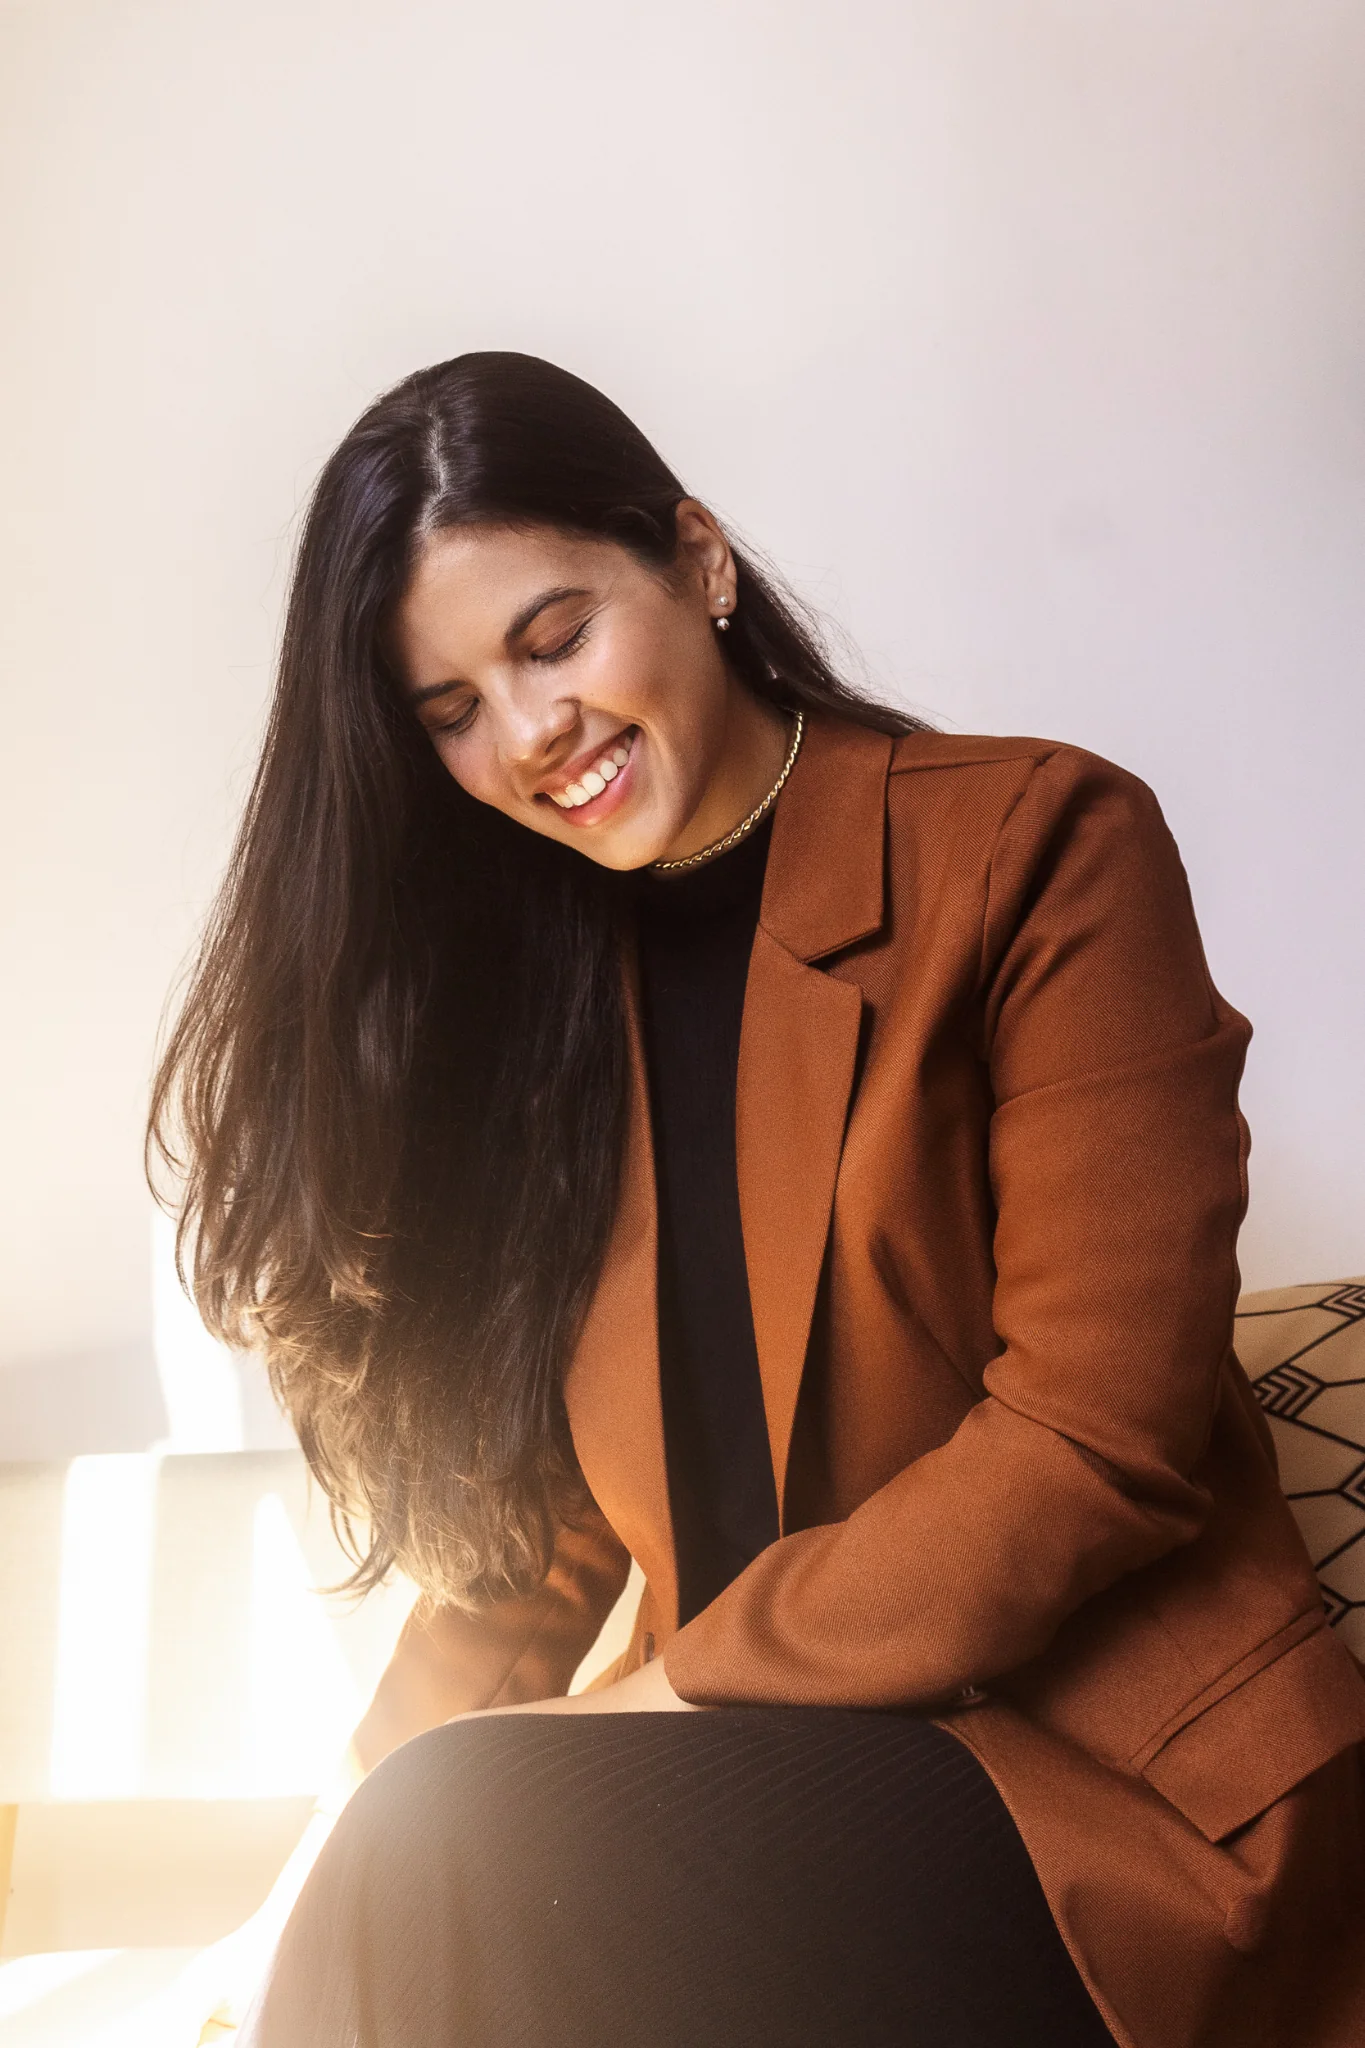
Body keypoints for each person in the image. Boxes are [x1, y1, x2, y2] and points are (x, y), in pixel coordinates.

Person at [150, 352, 1365, 2048]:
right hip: (743, 1803)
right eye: (451, 712)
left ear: (700, 561)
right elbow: (536, 1548)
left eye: (554, 637)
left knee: (473, 1855)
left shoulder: (1039, 848)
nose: (528, 733)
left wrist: (652, 1698)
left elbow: (1094, 1446)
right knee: (416, 1877)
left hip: (1099, 1805)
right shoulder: (549, 1008)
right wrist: (309, 1870)